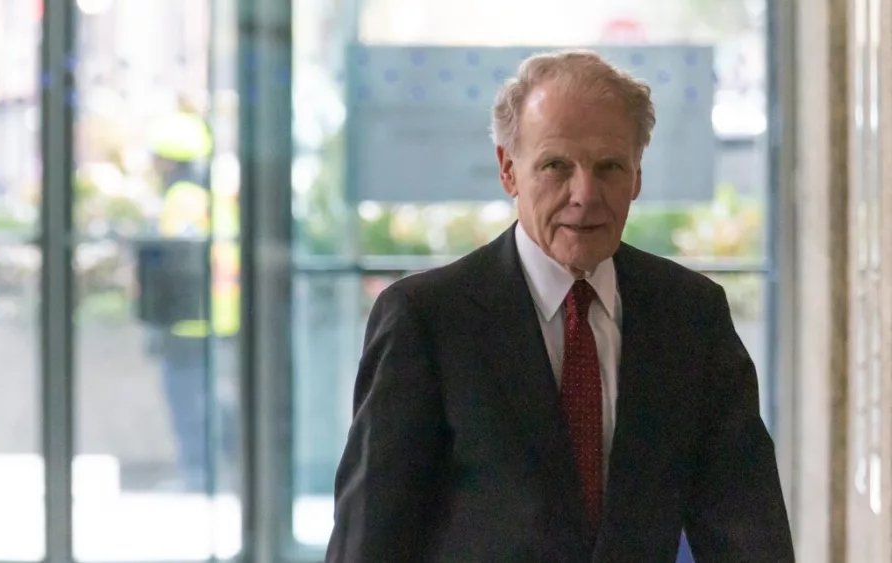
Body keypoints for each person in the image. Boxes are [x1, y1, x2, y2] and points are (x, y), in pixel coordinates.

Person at [326, 50, 794, 562]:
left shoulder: (690, 316)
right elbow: (369, 542)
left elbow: (749, 530)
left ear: (637, 175)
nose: (585, 194)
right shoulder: (426, 320)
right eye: (555, 165)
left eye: (609, 166)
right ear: (509, 171)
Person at [147, 107, 241, 492]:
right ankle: (211, 469)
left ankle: (197, 475)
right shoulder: (211, 193)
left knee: (186, 397)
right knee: (204, 395)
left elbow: (175, 260)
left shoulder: (181, 198)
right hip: (218, 314)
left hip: (188, 316)